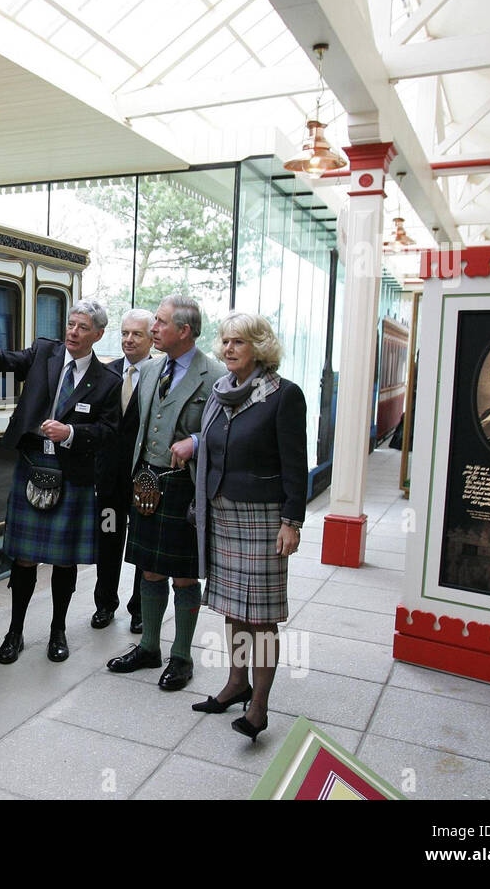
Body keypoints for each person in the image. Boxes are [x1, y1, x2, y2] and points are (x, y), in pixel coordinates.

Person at [0, 300, 121, 664]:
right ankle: (14, 631)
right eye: (71, 324)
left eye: (83, 327)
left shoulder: (107, 382)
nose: (73, 332)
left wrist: (70, 432)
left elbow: (109, 432)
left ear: (98, 335)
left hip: (74, 473)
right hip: (32, 463)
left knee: (65, 561)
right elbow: (1, 363)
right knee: (23, 559)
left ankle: (58, 630)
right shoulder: (43, 352)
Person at [190, 312, 307, 741]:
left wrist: (292, 521)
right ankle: (236, 683)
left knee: (260, 619)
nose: (228, 349)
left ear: (259, 346)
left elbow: (296, 463)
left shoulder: (284, 395)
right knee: (232, 609)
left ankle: (259, 706)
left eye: (238, 341)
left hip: (263, 517)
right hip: (222, 512)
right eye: (225, 341)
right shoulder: (221, 393)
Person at [106, 296, 224, 691]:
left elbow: (225, 434)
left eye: (159, 323)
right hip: (146, 483)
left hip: (185, 488)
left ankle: (182, 657)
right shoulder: (152, 369)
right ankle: (149, 647)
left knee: (186, 577)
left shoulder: (216, 375)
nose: (152, 329)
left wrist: (195, 440)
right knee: (149, 568)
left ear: (184, 331)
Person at [92, 308, 155, 632]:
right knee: (108, 539)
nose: (129, 340)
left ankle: (140, 608)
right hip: (110, 479)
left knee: (142, 544)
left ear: (151, 338)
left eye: (137, 334)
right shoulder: (107, 373)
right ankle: (105, 604)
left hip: (144, 478)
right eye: (125, 333)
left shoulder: (160, 377)